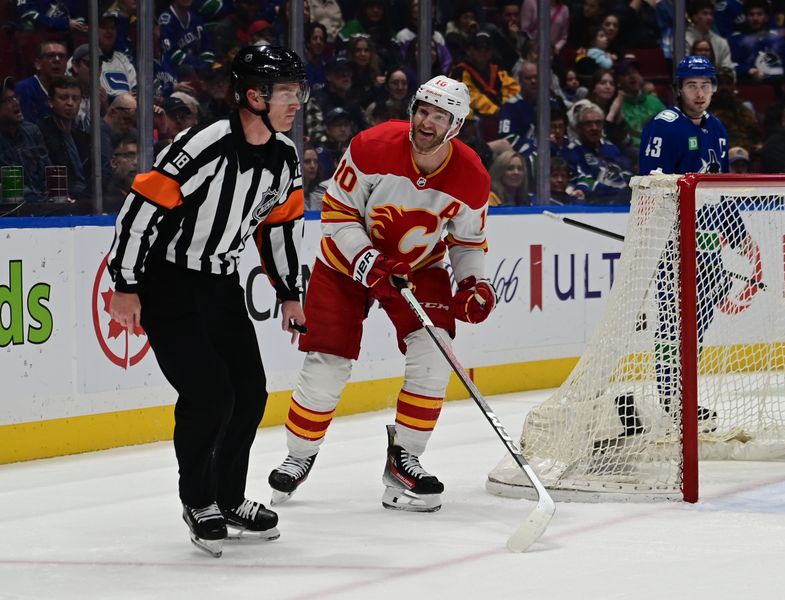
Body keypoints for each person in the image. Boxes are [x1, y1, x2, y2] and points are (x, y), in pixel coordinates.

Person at [106, 45, 309, 558]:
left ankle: (229, 496)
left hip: (221, 285)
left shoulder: (284, 156)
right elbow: (141, 208)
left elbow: (281, 226)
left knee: (249, 393)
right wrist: (126, 284)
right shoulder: (205, 144)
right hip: (169, 282)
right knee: (210, 394)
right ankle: (198, 500)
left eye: (296, 91)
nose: (296, 102)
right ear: (252, 95)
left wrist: (289, 292)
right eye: (286, 92)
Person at [267, 75, 495, 513]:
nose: (426, 122)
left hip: (417, 267)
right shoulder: (372, 145)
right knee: (327, 362)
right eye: (422, 110)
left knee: (434, 350)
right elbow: (336, 215)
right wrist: (369, 260)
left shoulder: (471, 176)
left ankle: (404, 456)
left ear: (457, 125)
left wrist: (472, 283)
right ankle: (298, 455)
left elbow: (468, 242)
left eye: (439, 115)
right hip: (344, 264)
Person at [638, 56, 756, 432]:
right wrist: (664, 233)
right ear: (679, 88)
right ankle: (671, 397)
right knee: (674, 321)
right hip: (672, 241)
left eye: (706, 85)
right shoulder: (664, 126)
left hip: (707, 244)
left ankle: (684, 393)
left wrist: (739, 236)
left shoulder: (718, 130)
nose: (700, 92)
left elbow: (717, 192)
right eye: (692, 85)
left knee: (698, 320)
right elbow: (651, 186)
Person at [0, 76, 51, 203]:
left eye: (15, 97)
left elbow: (47, 172)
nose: (16, 102)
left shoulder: (32, 131)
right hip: (10, 211)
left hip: (41, 203)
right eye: (8, 100)